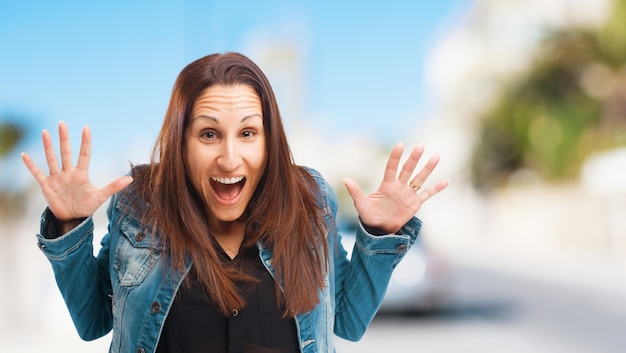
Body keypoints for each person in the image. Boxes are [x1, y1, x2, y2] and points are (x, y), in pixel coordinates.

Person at [21, 52, 448, 353]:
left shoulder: (310, 199)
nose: (229, 158)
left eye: (247, 133)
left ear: (269, 141)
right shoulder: (140, 203)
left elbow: (348, 324)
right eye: (208, 134)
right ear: (181, 143)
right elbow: (93, 322)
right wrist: (70, 225)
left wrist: (380, 237)